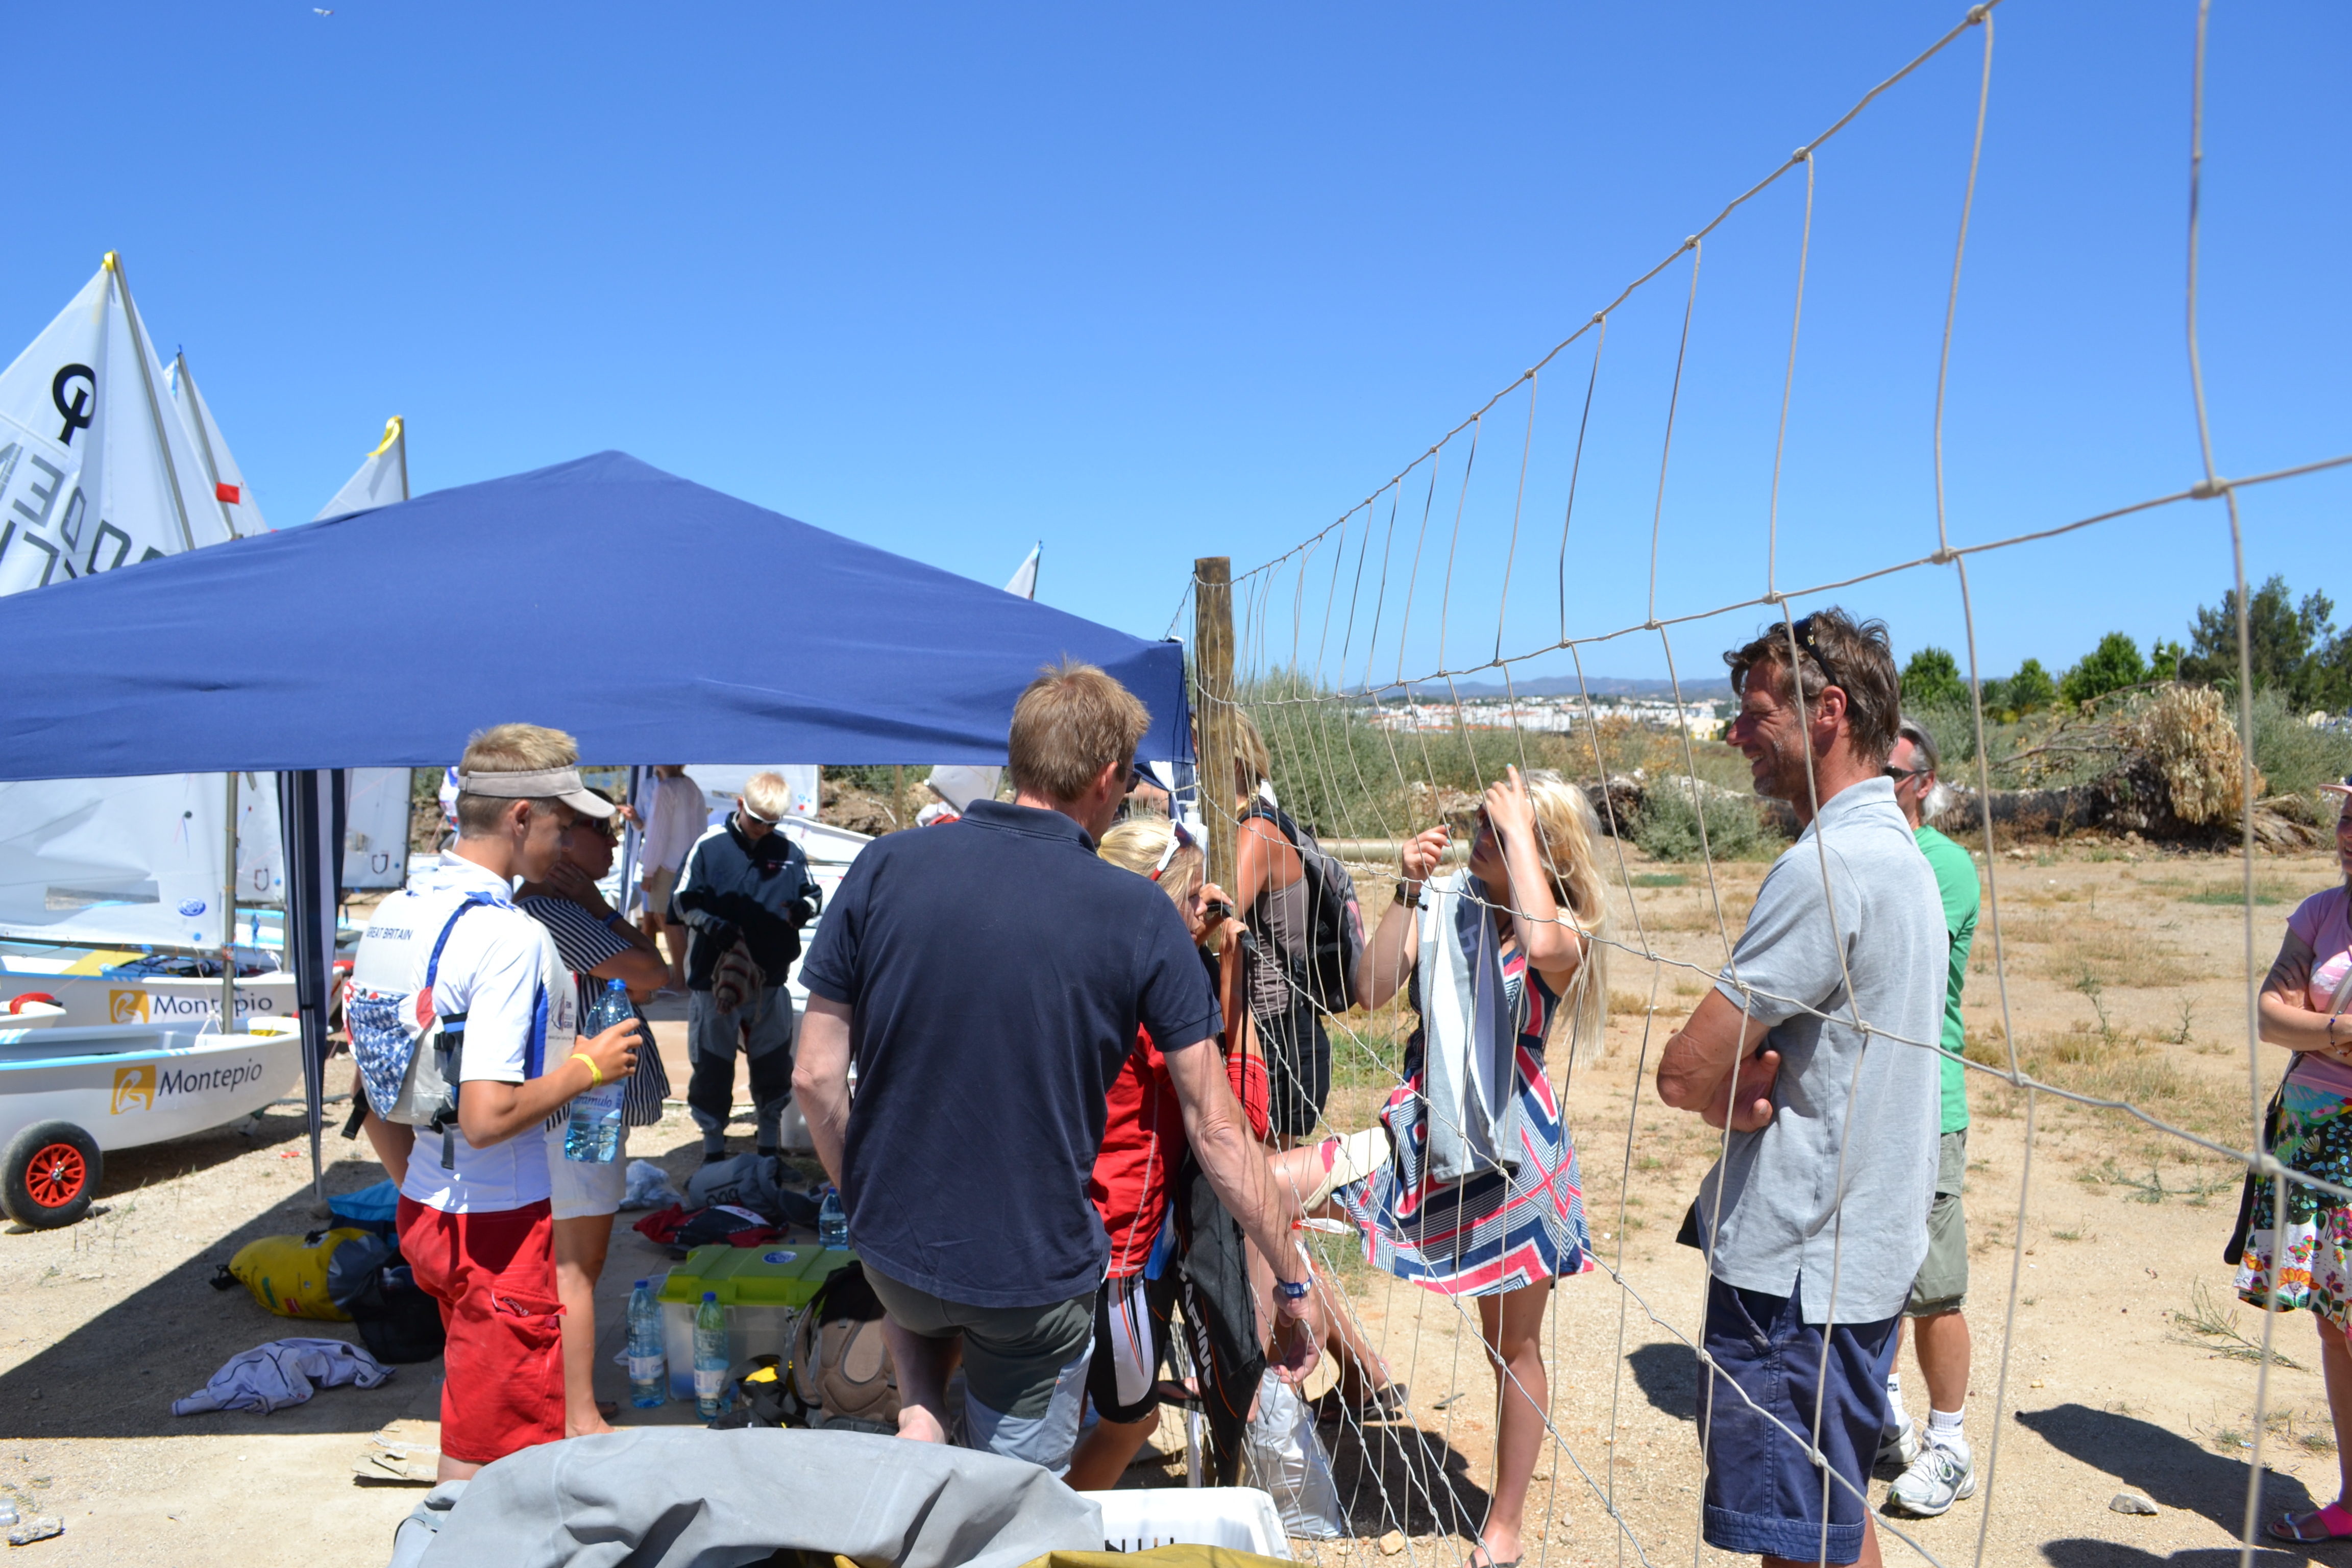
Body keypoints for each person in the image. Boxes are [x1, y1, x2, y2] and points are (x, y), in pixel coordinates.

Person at [793, 660, 1318, 1475]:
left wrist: (867, 1199)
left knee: (930, 1417)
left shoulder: (884, 867)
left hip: (894, 1256)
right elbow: (1217, 1127)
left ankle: (924, 1427)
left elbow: (816, 1079)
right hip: (1028, 1283)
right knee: (1009, 1508)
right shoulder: (1141, 915)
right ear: (1106, 777)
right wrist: (1290, 1279)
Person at [1653, 609, 1944, 1568]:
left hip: (1792, 1280)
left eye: (1753, 714)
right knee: (1831, 1517)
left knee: (1793, 1544)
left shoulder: (1827, 864)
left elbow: (1682, 1068)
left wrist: (1718, 1090)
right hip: (1855, 1261)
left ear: (1825, 710)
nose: (1735, 735)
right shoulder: (1900, 857)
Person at [1271, 764, 1607, 1568]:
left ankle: (1507, 1525)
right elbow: (1371, 988)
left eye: (1498, 830)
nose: (1478, 837)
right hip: (1415, 1139)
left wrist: (1519, 834)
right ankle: (1297, 1338)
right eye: (1484, 827)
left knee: (1511, 1352)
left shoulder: (1561, 927)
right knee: (1264, 1189)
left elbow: (1546, 945)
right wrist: (1406, 890)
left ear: (1541, 846)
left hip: (1521, 1164)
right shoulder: (1448, 900)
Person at [360, 724, 641, 1479]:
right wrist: (589, 1065)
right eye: (559, 825)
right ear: (521, 817)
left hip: (428, 1208)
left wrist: (421, 1188)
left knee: (475, 1412)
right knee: (496, 1461)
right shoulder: (509, 938)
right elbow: (487, 1118)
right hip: (497, 1229)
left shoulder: (395, 913)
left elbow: (373, 1086)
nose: (563, 846)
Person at [1066, 815, 1238, 1489]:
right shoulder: (1161, 997)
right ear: (1153, 897)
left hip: (1073, 1225)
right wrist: (1232, 972)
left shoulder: (1091, 963)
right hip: (1118, 1256)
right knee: (1131, 1421)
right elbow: (1234, 1110)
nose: (1208, 904)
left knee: (1053, 1403)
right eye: (1193, 893)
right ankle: (1043, 1535)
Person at [514, 789, 674, 1437]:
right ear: (564, 841)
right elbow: (652, 972)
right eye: (599, 832)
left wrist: (601, 906)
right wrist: (594, 909)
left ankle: (563, 1399)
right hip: (582, 1111)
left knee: (572, 1263)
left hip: (580, 1105)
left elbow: (644, 971)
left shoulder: (564, 909)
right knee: (578, 1266)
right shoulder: (555, 910)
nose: (614, 844)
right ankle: (576, 1414)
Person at [2236, 779, 2352, 1545]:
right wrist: (2341, 1030)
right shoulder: (2320, 911)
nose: (2348, 831)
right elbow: (2270, 1013)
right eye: (2348, 817)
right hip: (2313, 1136)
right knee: (2336, 1324)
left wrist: (2315, 1025)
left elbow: (2293, 1019)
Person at [1876, 717, 1982, 1517]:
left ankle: (1950, 1446)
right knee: (1867, 1273)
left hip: (1927, 1104)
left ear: (1922, 785)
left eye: (1891, 776)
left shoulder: (1942, 867)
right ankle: (1884, 1414)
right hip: (1862, 1101)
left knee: (1935, 1290)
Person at [672, 771, 818, 1163]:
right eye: (758, 821)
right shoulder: (708, 847)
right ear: (740, 806)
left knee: (773, 1064)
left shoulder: (788, 851)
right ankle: (713, 1154)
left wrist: (805, 908)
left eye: (773, 824)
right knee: (712, 1065)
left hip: (770, 978)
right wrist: (711, 925)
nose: (763, 831)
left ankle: (769, 1152)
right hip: (713, 978)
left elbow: (814, 894)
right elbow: (682, 903)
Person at [1230, 713, 1329, 1144]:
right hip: (1263, 1029)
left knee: (1269, 1190)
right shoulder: (1242, 824)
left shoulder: (1257, 830)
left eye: (1195, 752)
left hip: (1278, 1039)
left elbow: (1212, 918)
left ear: (1231, 760)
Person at [636, 765, 705, 991]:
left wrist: (648, 870)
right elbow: (700, 826)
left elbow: (658, 832)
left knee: (668, 920)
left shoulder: (667, 788)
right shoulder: (691, 786)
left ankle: (680, 980)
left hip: (666, 864)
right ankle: (685, 976)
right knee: (681, 922)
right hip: (689, 863)